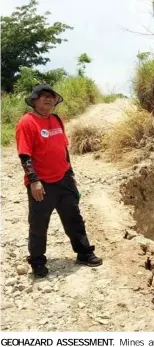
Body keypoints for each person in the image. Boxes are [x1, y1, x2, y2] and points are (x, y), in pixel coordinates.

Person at [15, 84, 103, 278]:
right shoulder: (27, 122)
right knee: (38, 224)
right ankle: (37, 261)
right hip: (41, 184)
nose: (48, 99)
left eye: (51, 96)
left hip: (64, 180)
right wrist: (34, 181)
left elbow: (64, 150)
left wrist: (71, 176)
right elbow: (24, 155)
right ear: (35, 100)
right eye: (43, 96)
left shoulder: (56, 119)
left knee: (74, 218)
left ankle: (84, 252)